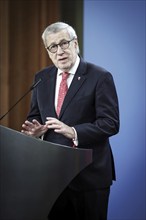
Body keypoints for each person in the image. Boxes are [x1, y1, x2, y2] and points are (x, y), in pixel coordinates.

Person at [21, 21, 120, 220]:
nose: (60, 51)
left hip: (89, 177)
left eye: (64, 43)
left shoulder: (100, 77)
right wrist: (36, 130)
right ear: (48, 51)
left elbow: (110, 123)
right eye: (53, 47)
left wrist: (73, 131)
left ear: (75, 44)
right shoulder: (42, 78)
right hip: (53, 178)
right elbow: (35, 116)